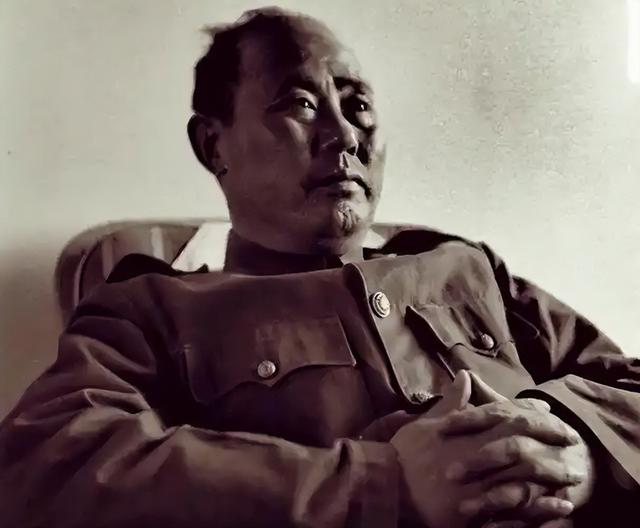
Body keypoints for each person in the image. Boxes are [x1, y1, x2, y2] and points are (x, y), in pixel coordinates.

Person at [0, 6, 638, 528]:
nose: (345, 136)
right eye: (301, 104)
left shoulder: (466, 268)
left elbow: (625, 382)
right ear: (213, 145)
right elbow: (46, 466)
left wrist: (574, 447)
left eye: (357, 106)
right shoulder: (148, 309)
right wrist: (383, 486)